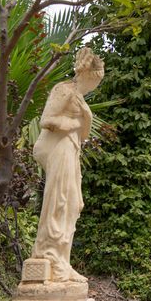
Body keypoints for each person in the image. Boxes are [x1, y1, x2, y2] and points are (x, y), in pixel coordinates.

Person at [31, 47, 104, 282]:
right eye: (96, 80)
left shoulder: (80, 98)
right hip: (59, 149)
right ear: (87, 75)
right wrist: (72, 123)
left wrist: (86, 118)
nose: (96, 86)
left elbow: (83, 134)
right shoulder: (63, 90)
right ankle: (48, 256)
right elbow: (46, 120)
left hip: (72, 149)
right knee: (58, 201)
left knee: (72, 203)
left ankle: (63, 259)